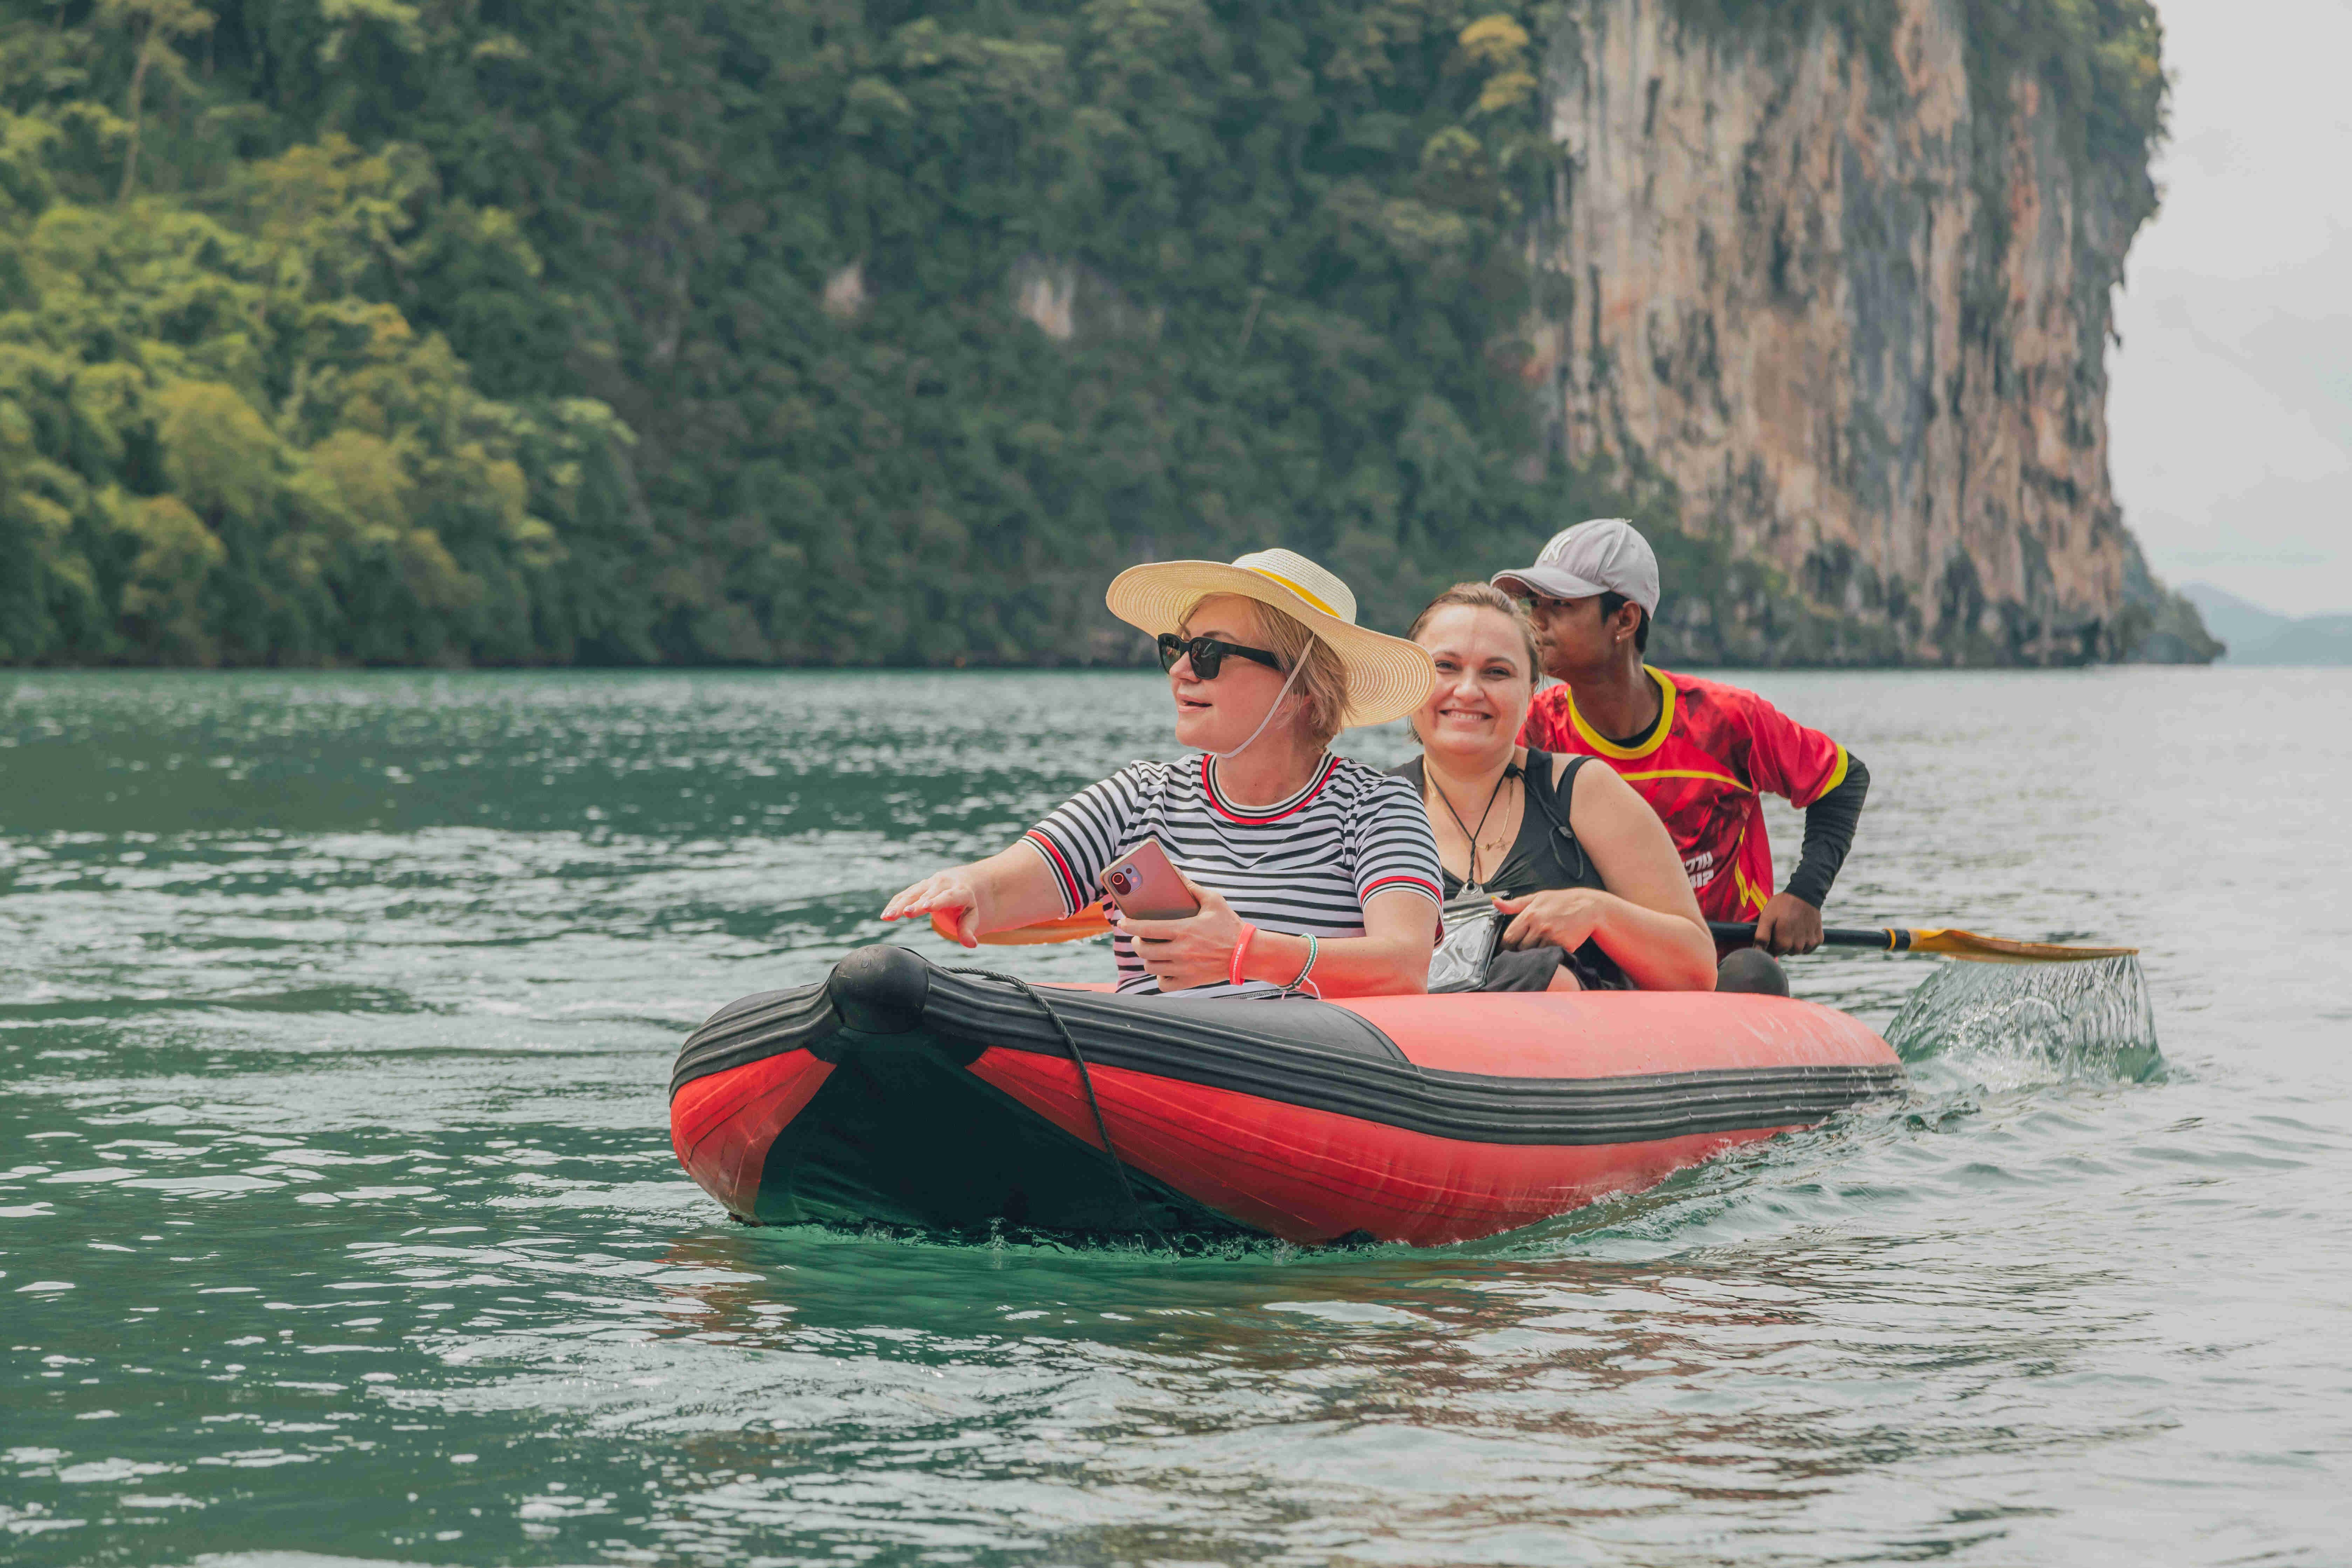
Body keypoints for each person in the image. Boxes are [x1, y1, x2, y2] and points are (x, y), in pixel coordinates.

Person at [880, 549, 1442, 998]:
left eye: (1208, 653)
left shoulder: (1378, 807)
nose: (1179, 670)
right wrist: (969, 888)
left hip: (1303, 1081)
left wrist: (1242, 951)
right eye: (1176, 646)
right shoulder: (1139, 796)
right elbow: (1008, 880)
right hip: (1156, 1065)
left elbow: (1404, 967)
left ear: (1300, 688)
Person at [1494, 519, 1872, 997]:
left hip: (1724, 964)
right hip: (1603, 964)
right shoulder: (1532, 728)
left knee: (1758, 976)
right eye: (1533, 605)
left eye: (1560, 606)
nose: (1535, 622)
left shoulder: (1728, 720)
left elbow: (1841, 780)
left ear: (1625, 620)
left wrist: (1805, 894)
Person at [1399, 584, 1717, 993]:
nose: (1467, 690)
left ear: (1530, 691)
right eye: (1445, 666)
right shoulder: (1369, 807)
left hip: (1584, 1043)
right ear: (1410, 679)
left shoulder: (1584, 791)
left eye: (1497, 672)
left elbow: (1697, 971)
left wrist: (1597, 913)